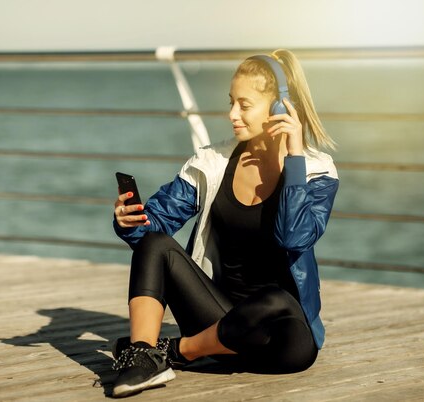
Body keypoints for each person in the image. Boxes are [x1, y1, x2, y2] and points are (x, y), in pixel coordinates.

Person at [110, 49, 339, 398]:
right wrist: (131, 221)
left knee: (275, 298)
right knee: (156, 243)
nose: (232, 114)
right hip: (215, 320)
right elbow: (155, 225)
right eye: (231, 102)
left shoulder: (316, 172)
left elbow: (294, 237)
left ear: (280, 108)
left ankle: (174, 352)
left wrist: (293, 157)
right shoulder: (212, 162)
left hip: (281, 335)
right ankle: (142, 356)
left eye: (244, 105)